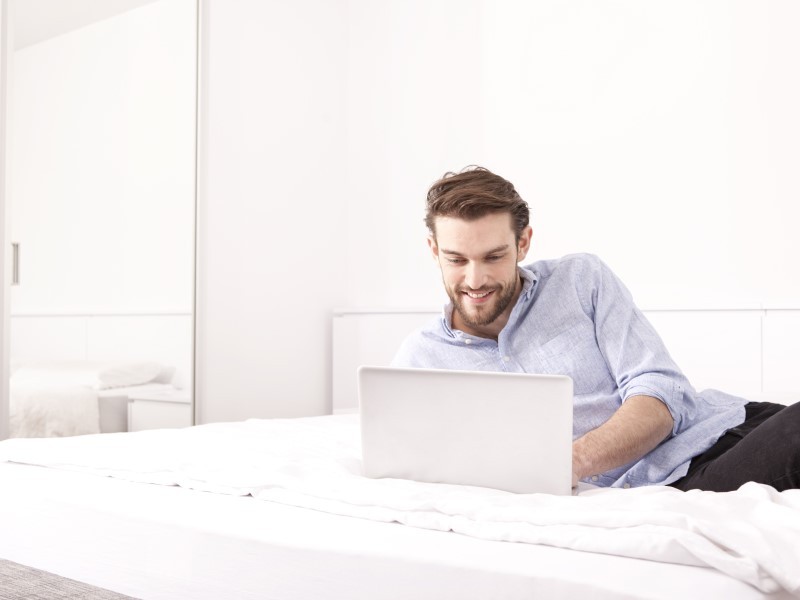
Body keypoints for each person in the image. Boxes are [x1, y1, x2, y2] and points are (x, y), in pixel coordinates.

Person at [392, 165, 800, 491]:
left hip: (727, 420)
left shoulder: (580, 279)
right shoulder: (418, 360)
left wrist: (570, 461)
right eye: (457, 260)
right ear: (434, 251)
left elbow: (662, 390)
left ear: (523, 243)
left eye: (494, 256)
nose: (476, 279)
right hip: (676, 478)